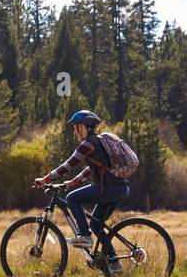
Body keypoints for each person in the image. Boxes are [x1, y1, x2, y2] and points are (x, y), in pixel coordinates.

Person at [33, 110, 129, 268]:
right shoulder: (98, 142)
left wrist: (46, 178)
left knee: (72, 198)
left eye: (75, 127)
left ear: (82, 127)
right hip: (119, 188)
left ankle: (84, 236)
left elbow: (69, 165)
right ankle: (114, 261)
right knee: (97, 225)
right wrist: (74, 181)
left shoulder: (87, 144)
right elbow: (95, 169)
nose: (74, 131)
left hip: (109, 188)